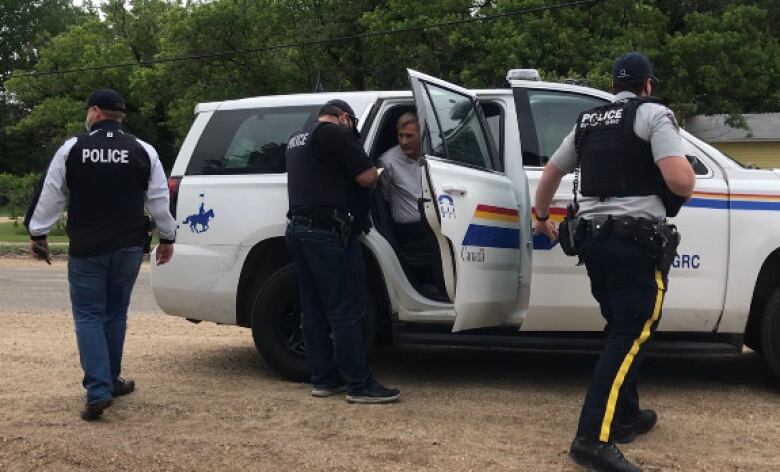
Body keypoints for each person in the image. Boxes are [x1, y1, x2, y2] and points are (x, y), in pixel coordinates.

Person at [533, 53, 695, 472]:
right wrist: (686, 176)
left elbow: (551, 173)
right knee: (630, 334)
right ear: (647, 85)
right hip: (633, 244)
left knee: (622, 326)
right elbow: (680, 180)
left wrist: (541, 217)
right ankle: (590, 440)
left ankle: (626, 416)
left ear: (614, 85)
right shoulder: (655, 115)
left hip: (593, 243)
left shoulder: (588, 122)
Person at [24, 88, 177, 421]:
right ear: (119, 115)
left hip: (87, 246)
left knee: (89, 315)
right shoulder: (143, 150)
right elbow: (159, 200)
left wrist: (38, 234)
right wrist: (167, 237)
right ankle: (111, 380)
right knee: (116, 312)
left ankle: (98, 390)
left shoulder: (72, 148)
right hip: (128, 246)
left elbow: (51, 195)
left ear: (94, 112)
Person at [285, 99, 400, 404]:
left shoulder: (298, 137)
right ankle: (359, 385)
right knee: (345, 310)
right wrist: (379, 169)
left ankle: (323, 379)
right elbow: (365, 178)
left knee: (312, 309)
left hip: (298, 230)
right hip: (328, 233)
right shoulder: (336, 133)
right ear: (346, 118)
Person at [376, 112, 424, 245]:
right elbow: (385, 197)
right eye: (400, 135)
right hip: (409, 231)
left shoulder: (432, 155)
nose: (404, 141)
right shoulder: (387, 162)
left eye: (409, 136)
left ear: (421, 136)